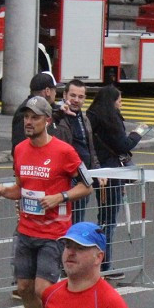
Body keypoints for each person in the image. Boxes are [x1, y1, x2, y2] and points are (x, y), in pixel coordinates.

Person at [0, 96, 93, 308]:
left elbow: (86, 185)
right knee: (24, 287)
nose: (29, 122)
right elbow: (21, 189)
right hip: (26, 230)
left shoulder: (64, 151)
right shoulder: (21, 150)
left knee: (43, 290)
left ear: (47, 120)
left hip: (54, 233)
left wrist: (61, 197)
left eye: (34, 117)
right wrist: (2, 192)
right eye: (26, 117)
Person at [87, 85, 146, 276]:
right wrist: (137, 134)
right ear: (112, 102)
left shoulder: (91, 116)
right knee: (108, 220)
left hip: (98, 173)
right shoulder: (111, 120)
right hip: (112, 173)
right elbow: (123, 145)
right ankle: (105, 265)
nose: (121, 104)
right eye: (119, 101)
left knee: (103, 218)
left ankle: (100, 263)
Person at [53, 80, 100, 224]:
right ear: (65, 94)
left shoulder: (84, 119)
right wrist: (59, 112)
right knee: (65, 221)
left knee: (78, 220)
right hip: (67, 177)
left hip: (84, 175)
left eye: (80, 97)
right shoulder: (58, 117)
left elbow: (89, 147)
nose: (76, 100)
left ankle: (73, 246)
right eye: (72, 95)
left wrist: (98, 170)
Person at [11, 71, 60, 152]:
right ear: (47, 91)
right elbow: (20, 146)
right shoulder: (24, 111)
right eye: (54, 90)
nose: (55, 93)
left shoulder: (48, 108)